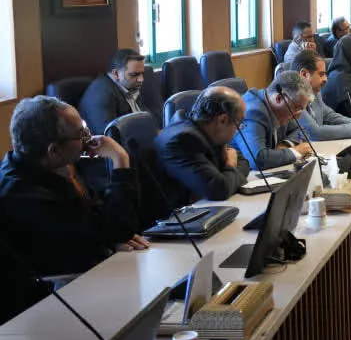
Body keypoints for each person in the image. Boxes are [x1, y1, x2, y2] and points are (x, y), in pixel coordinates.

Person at [0, 96, 148, 324]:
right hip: (55, 307)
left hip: (88, 278)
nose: (89, 139)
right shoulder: (24, 196)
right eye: (81, 134)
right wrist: (120, 160)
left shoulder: (50, 167)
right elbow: (118, 228)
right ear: (54, 150)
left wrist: (109, 237)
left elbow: (102, 222)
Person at [152, 86, 251, 214]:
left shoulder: (208, 131)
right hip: (176, 219)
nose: (238, 130)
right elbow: (219, 190)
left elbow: (244, 163)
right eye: (238, 124)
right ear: (222, 119)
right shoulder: (184, 140)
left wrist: (226, 175)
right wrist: (230, 165)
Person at [230, 72, 315, 171]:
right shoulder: (253, 112)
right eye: (297, 108)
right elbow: (258, 159)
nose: (298, 115)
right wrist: (295, 152)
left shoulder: (282, 109)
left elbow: (303, 130)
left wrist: (285, 145)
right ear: (279, 98)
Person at [290, 49, 351, 140]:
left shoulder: (315, 92)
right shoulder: (292, 97)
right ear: (304, 74)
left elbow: (328, 115)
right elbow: (315, 132)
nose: (326, 79)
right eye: (321, 74)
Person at [78, 48, 152, 135]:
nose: (141, 79)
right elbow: (108, 136)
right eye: (134, 74)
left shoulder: (129, 86)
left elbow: (145, 117)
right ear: (116, 74)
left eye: (142, 73)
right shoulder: (101, 94)